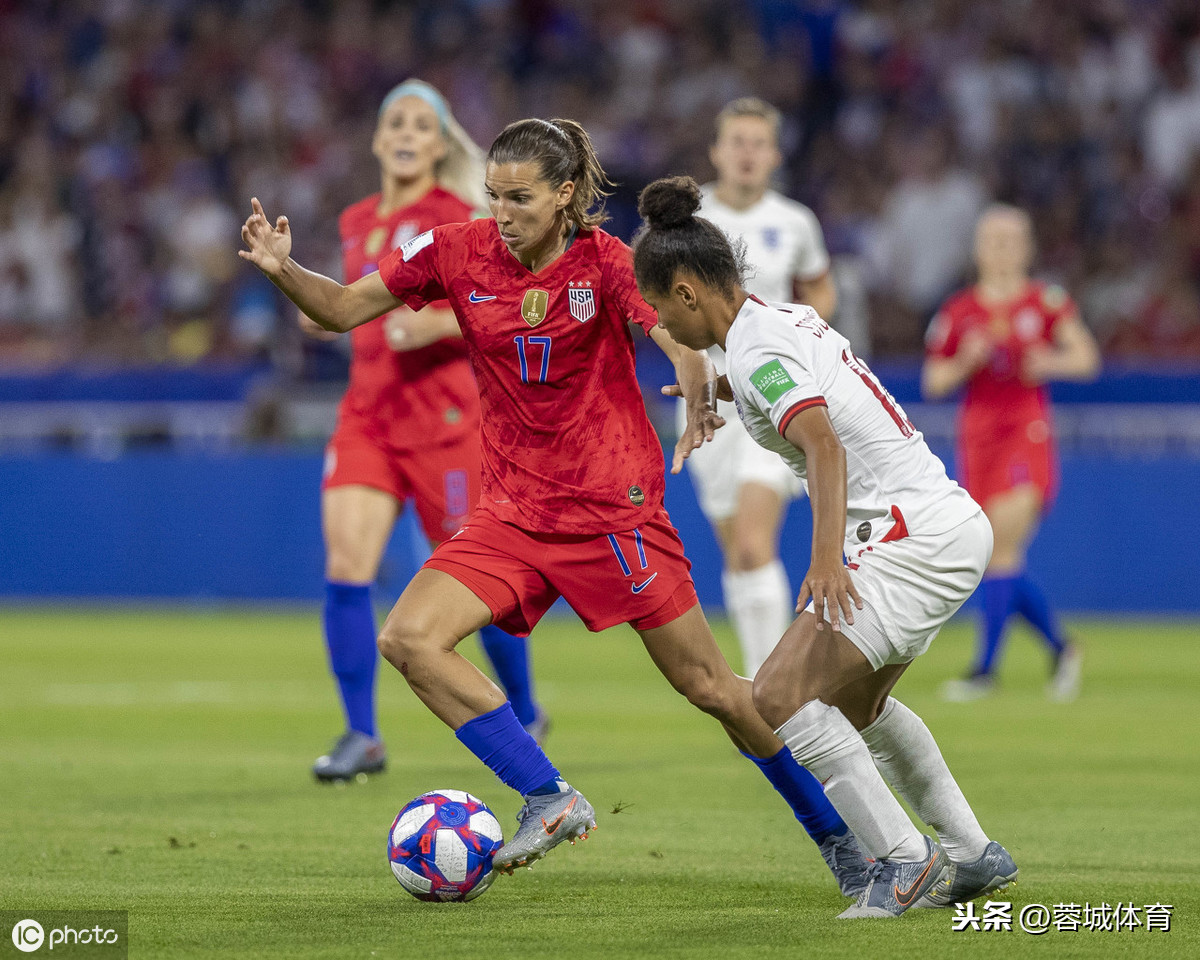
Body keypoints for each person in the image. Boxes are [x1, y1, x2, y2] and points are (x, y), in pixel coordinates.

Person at [240, 118, 873, 889]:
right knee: (408, 639)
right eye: (494, 197)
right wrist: (282, 268)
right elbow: (340, 310)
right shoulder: (454, 249)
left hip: (615, 515)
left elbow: (674, 337)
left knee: (712, 689)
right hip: (510, 514)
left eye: (521, 199)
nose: (502, 214)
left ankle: (841, 838)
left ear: (566, 193)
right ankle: (547, 794)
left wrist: (700, 384)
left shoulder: (607, 263)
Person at [632, 175, 1016, 919]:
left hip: (906, 538)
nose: (657, 324)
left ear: (685, 293)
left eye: (655, 307)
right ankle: (972, 854)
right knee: (860, 704)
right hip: (943, 521)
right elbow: (808, 397)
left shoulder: (755, 352)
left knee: (774, 697)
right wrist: (719, 391)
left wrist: (824, 557)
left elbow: (824, 443)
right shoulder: (779, 322)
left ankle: (905, 864)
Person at [301, 81, 545, 782]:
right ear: (379, 139)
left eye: (420, 123)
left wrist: (435, 322)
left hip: (447, 422)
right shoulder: (356, 220)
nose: (406, 132)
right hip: (368, 417)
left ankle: (524, 707)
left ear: (440, 145)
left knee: (474, 580)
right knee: (347, 563)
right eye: (394, 120)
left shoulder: (460, 217)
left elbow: (509, 308)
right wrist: (314, 307)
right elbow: (351, 307)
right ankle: (361, 734)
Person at [682, 97, 838, 678]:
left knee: (752, 542)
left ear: (774, 155)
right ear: (716, 151)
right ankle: (770, 687)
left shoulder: (794, 221)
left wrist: (796, 329)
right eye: (736, 142)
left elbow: (822, 292)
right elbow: (648, 298)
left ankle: (772, 694)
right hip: (706, 397)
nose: (747, 154)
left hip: (771, 390)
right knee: (737, 553)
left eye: (758, 143)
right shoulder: (686, 221)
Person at [923, 205, 1100, 702]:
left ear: (1027, 248)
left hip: (1027, 430)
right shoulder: (959, 311)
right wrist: (965, 362)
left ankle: (985, 671)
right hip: (978, 437)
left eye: (1011, 239)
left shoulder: (1046, 302)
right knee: (994, 557)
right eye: (992, 239)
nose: (1001, 248)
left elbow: (1086, 358)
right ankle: (1062, 647)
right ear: (978, 248)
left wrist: (1050, 360)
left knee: (1000, 545)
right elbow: (933, 379)